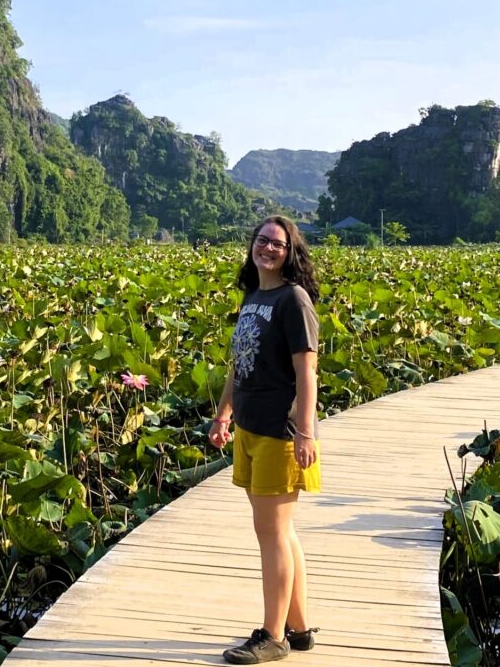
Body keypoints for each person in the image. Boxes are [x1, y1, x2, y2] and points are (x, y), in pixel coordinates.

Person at [209, 215, 321, 665]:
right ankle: (298, 627)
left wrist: (306, 431)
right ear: (251, 247)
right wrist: (223, 414)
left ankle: (273, 636)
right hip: (250, 428)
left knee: (271, 534)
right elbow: (240, 362)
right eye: (262, 241)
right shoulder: (254, 296)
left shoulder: (294, 300)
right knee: (281, 532)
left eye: (278, 244)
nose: (268, 248)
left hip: (280, 430)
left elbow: (306, 371)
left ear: (290, 252)